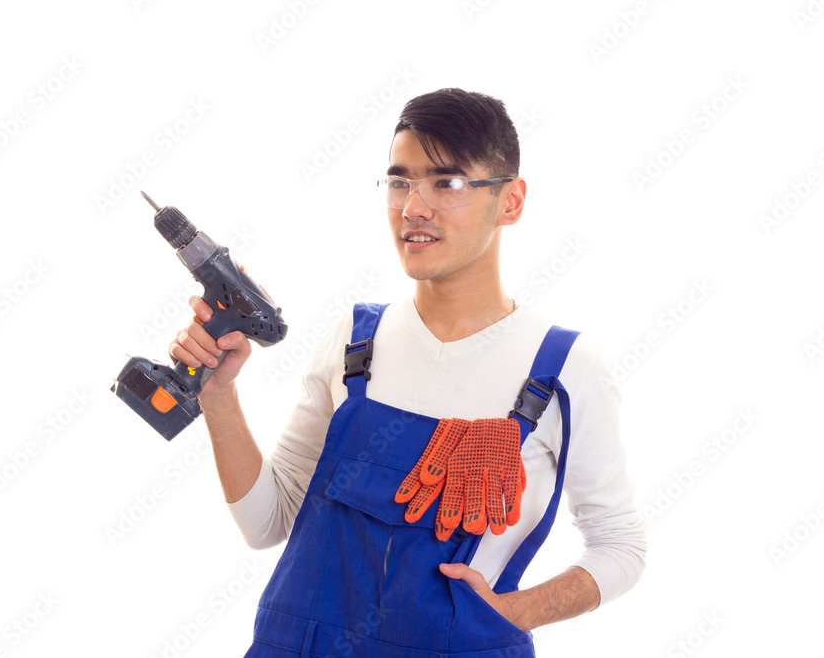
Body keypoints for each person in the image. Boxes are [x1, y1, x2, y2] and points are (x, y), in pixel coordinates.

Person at [168, 88, 647, 657]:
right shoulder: (355, 343)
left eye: (447, 183)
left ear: (511, 201)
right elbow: (266, 522)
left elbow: (621, 545)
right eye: (399, 181)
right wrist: (219, 395)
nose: (414, 207)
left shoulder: (563, 372)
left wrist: (510, 613)